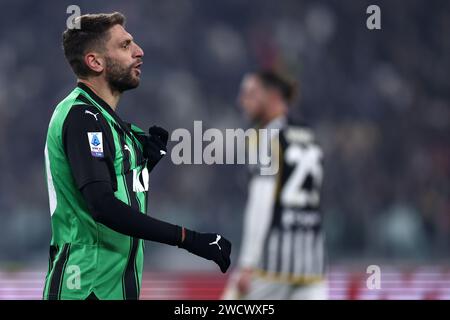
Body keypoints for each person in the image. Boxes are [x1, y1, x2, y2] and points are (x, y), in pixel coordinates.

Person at [43, 12, 231, 300]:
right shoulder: (83, 117)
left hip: (110, 286)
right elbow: (103, 206)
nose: (139, 51)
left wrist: (140, 168)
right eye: (124, 45)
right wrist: (188, 239)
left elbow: (105, 189)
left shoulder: (105, 120)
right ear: (95, 62)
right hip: (85, 286)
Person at [222, 70, 326, 300]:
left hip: (270, 264)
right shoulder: (310, 134)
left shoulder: (267, 137)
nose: (242, 100)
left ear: (272, 96)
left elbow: (261, 205)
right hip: (312, 262)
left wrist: (247, 264)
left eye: (250, 93)